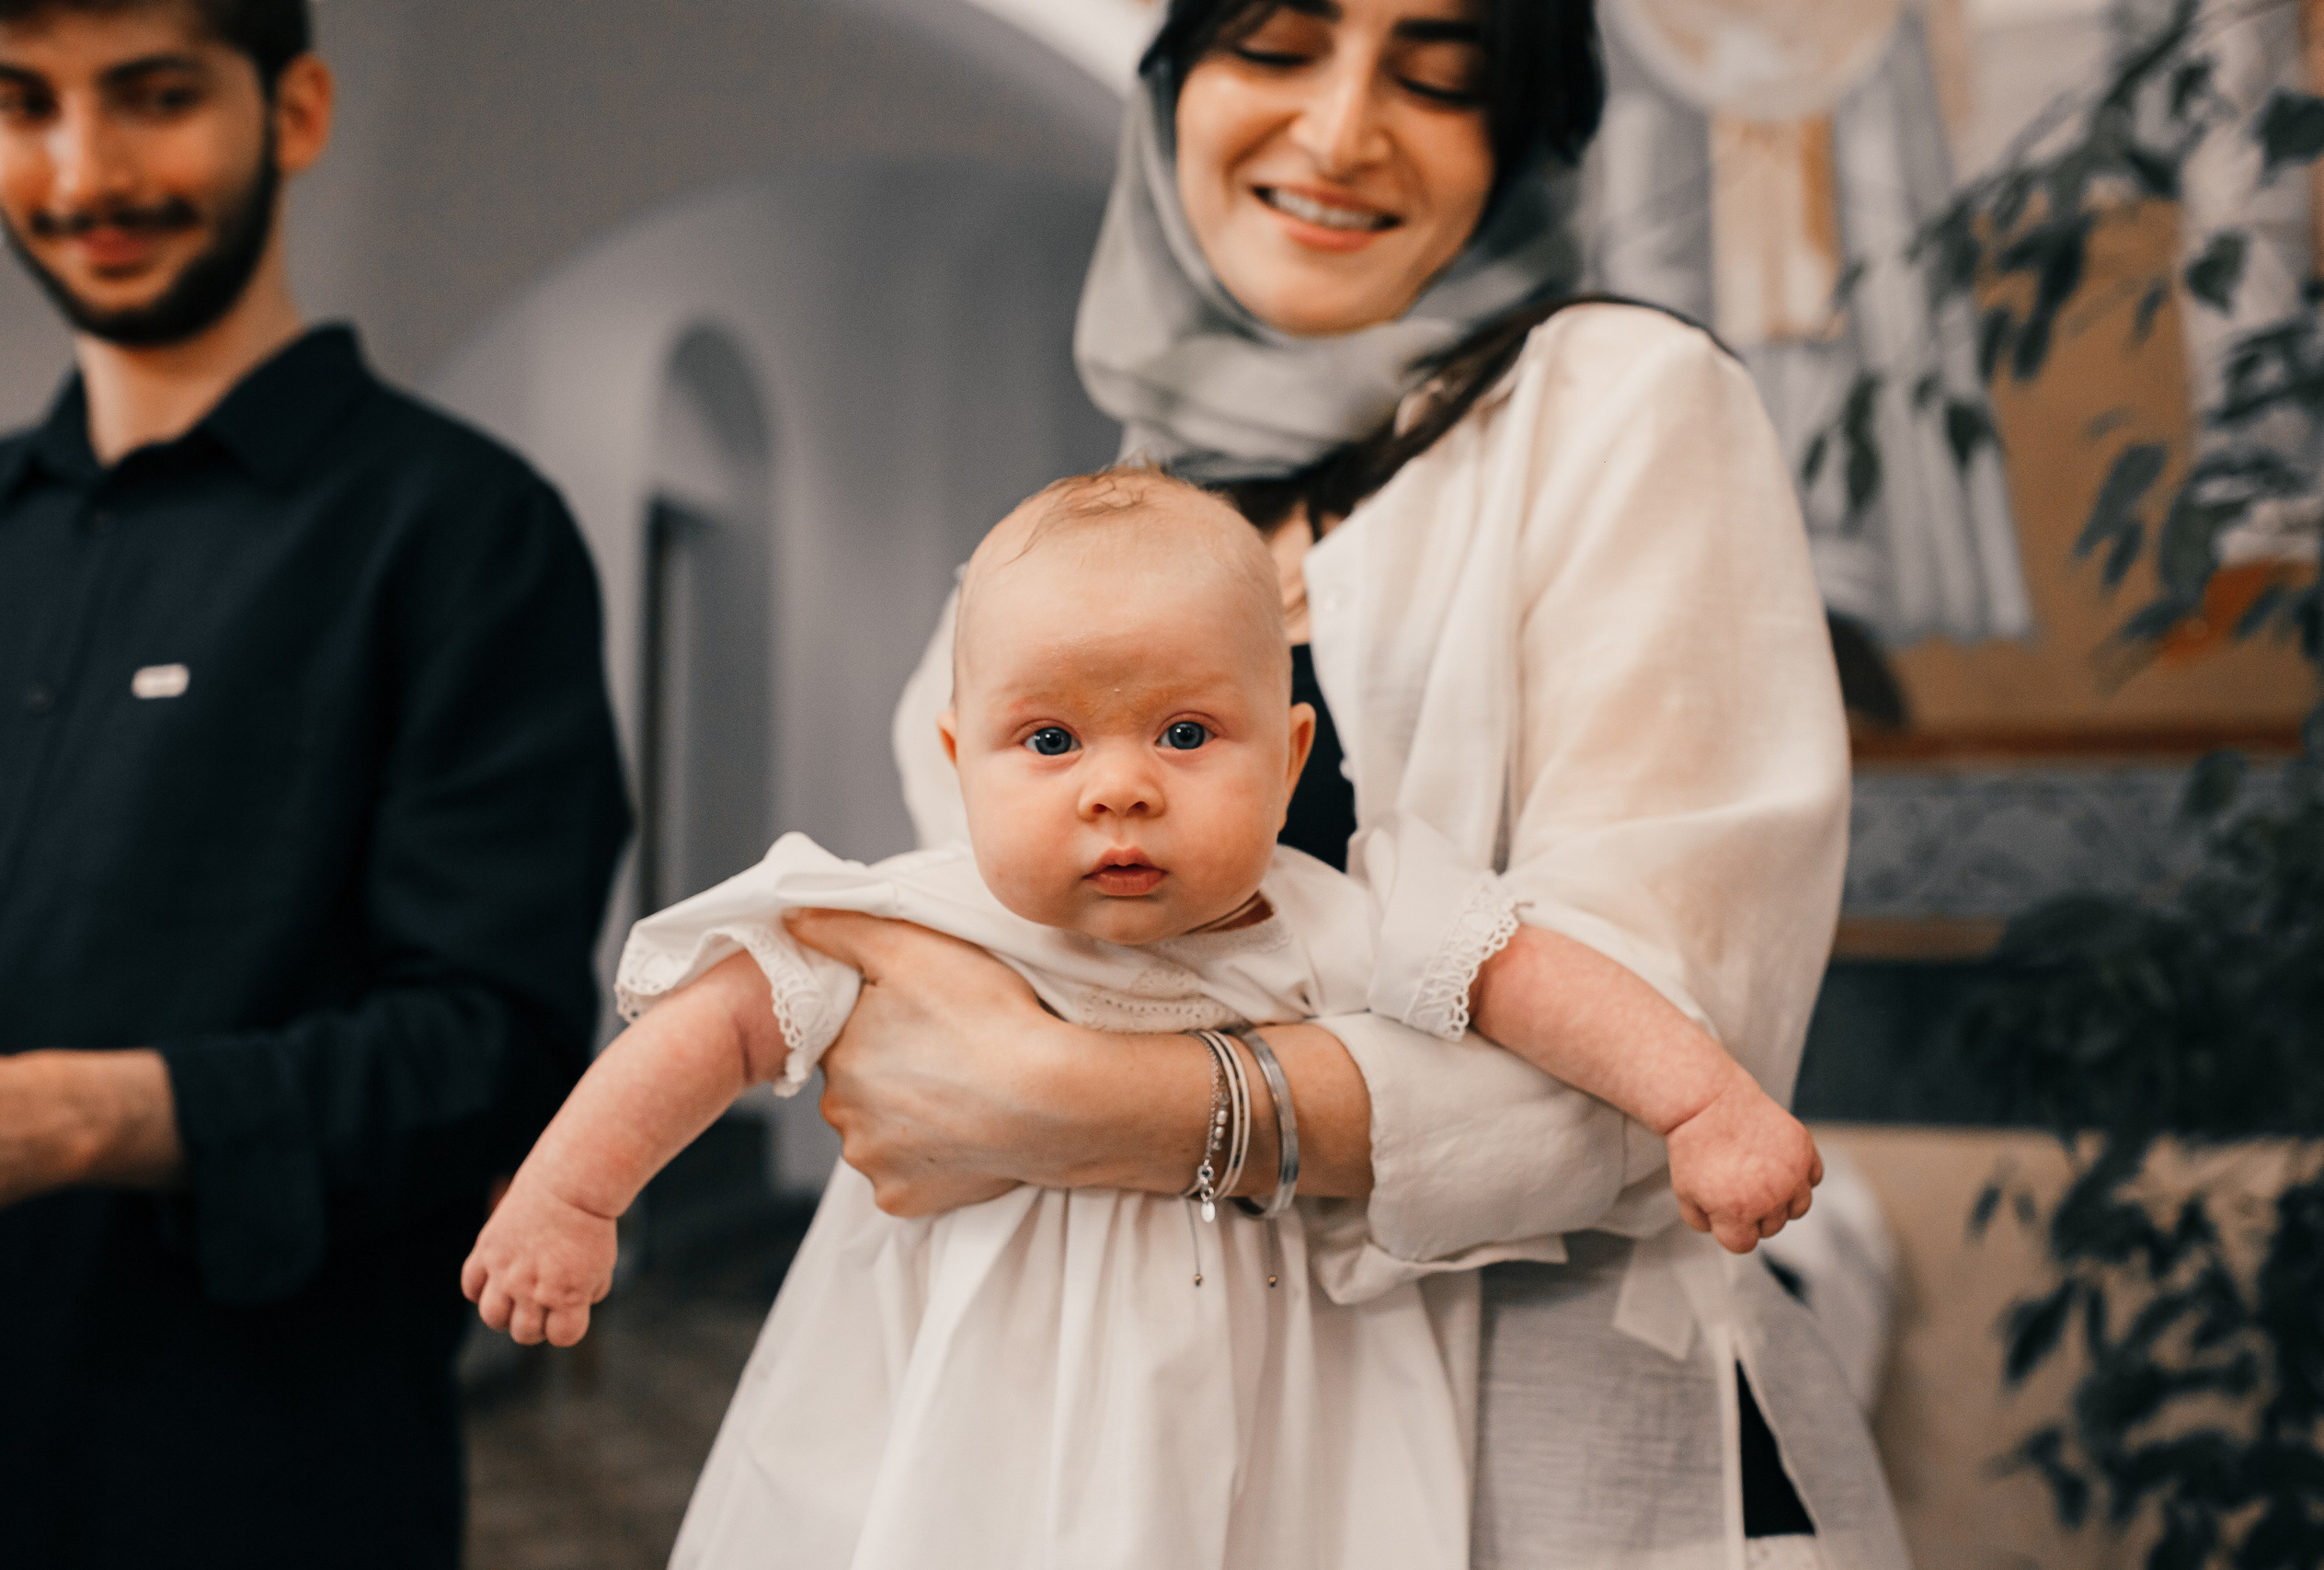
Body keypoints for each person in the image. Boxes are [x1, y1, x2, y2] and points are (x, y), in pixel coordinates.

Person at [800, 3, 1915, 1568]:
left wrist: (1089, 1107)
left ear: (1520, 134)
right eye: (1275, 46)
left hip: (1531, 1451)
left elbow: (1666, 1022)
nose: (1338, 132)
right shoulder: (1095, 529)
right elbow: (943, 1012)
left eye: (1441, 74)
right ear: (1175, 81)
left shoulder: (1615, 408)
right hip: (1158, 1459)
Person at [464, 469, 1821, 1568]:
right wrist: (574, 1194)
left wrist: (1700, 1101)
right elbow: (720, 1024)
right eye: (1051, 741)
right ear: (963, 761)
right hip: (976, 1402)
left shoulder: (1338, 913)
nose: (1118, 789)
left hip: (1289, 1400)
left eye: (1183, 735)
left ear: (1288, 757)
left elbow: (1532, 976)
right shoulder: (921, 917)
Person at [0, 2, 628, 1565]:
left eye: (153, 96)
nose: (83, 171)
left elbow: (499, 1050)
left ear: (298, 109)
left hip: (245, 1480)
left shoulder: (465, 531)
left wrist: (71, 1118)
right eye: (21, 101)